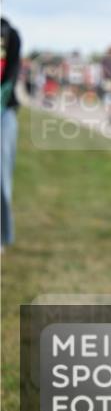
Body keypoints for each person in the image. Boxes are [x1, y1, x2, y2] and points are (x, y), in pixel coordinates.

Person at [1, 16, 21, 249]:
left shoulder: (9, 33)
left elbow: (12, 73)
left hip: (4, 111)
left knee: (1, 176)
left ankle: (2, 236)